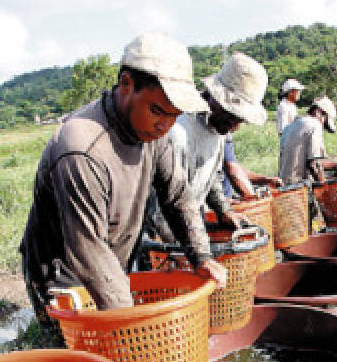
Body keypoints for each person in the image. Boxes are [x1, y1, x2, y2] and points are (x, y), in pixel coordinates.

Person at [20, 31, 227, 324]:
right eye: (157, 111)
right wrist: (130, 322)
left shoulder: (155, 134)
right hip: (66, 275)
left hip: (110, 260)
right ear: (126, 84)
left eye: (173, 115)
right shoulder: (82, 148)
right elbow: (87, 248)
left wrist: (202, 257)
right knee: (83, 354)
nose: (164, 125)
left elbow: (178, 197)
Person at [160, 52, 270, 232]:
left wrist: (222, 209)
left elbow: (209, 178)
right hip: (163, 234)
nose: (234, 126)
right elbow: (168, 204)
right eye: (231, 115)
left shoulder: (217, 129)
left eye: (239, 120)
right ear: (215, 97)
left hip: (188, 226)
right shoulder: (180, 132)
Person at [278, 96, 337, 184]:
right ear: (318, 112)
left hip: (283, 185)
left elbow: (316, 161)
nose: (323, 126)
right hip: (299, 187)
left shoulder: (289, 127)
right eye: (324, 123)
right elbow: (314, 164)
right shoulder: (315, 124)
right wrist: (324, 188)